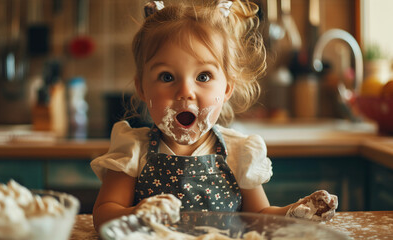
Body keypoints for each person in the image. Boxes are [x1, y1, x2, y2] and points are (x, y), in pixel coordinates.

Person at [91, 0, 338, 231]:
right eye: (167, 77)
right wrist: (138, 213)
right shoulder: (134, 150)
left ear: (227, 88)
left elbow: (259, 215)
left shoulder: (238, 152)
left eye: (203, 76)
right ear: (142, 88)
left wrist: (295, 212)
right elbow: (104, 213)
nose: (186, 91)